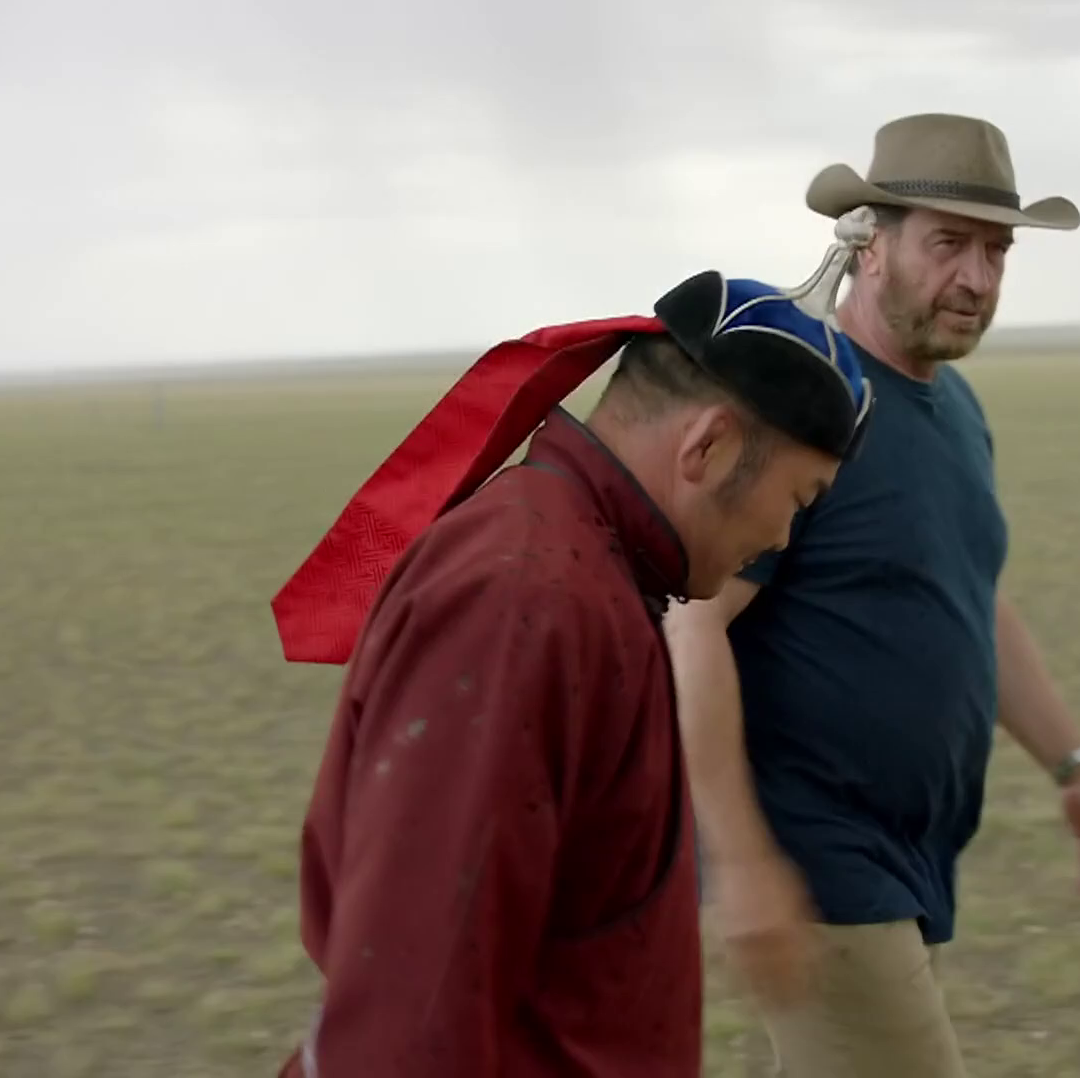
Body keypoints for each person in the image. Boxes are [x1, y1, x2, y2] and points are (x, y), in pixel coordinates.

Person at [267, 254, 875, 1076]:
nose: (781, 539)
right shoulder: (524, 602)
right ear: (709, 446)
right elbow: (412, 1012)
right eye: (798, 501)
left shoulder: (591, 572)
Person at [666, 113, 1080, 1077]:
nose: (976, 277)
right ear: (870, 246)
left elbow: (970, 601)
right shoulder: (803, 407)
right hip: (821, 866)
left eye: (996, 250)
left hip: (911, 860)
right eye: (947, 244)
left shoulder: (954, 407)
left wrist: (1076, 767)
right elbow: (689, 623)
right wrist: (745, 863)